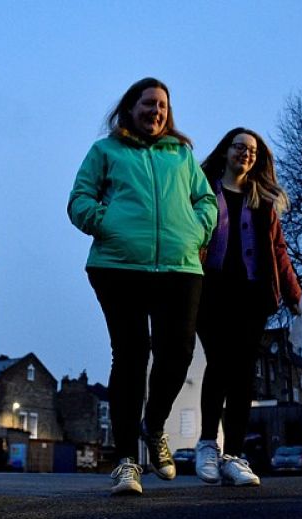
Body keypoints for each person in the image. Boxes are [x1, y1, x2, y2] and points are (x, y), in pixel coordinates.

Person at [68, 78, 218, 495]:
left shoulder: (181, 154)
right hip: (118, 266)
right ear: (130, 107)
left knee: (178, 353)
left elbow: (206, 201)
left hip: (180, 266)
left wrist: (196, 230)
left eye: (163, 106)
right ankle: (126, 462)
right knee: (131, 356)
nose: (157, 112)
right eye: (149, 104)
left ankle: (154, 426)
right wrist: (106, 223)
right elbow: (79, 199)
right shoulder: (105, 151)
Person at [193, 127, 302, 486]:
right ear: (226, 150)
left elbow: (279, 251)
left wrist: (295, 295)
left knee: (242, 373)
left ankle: (235, 456)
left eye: (253, 151)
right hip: (210, 291)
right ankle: (208, 444)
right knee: (220, 364)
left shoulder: (264, 199)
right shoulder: (203, 189)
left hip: (253, 296)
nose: (246, 154)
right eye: (239, 147)